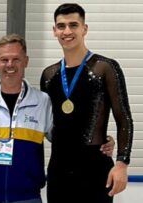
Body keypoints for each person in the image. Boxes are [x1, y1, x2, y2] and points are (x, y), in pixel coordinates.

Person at [40, 3, 134, 203]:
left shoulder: (105, 68)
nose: (67, 31)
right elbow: (48, 125)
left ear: (85, 29)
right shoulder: (49, 75)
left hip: (95, 167)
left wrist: (122, 163)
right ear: (54, 31)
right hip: (59, 168)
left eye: (73, 25)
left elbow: (124, 118)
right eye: (61, 26)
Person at [0, 34, 53, 203]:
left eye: (16, 59)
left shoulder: (42, 101)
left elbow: (65, 142)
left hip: (28, 197)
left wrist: (101, 141)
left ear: (26, 61)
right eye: (4, 59)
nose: (10, 65)